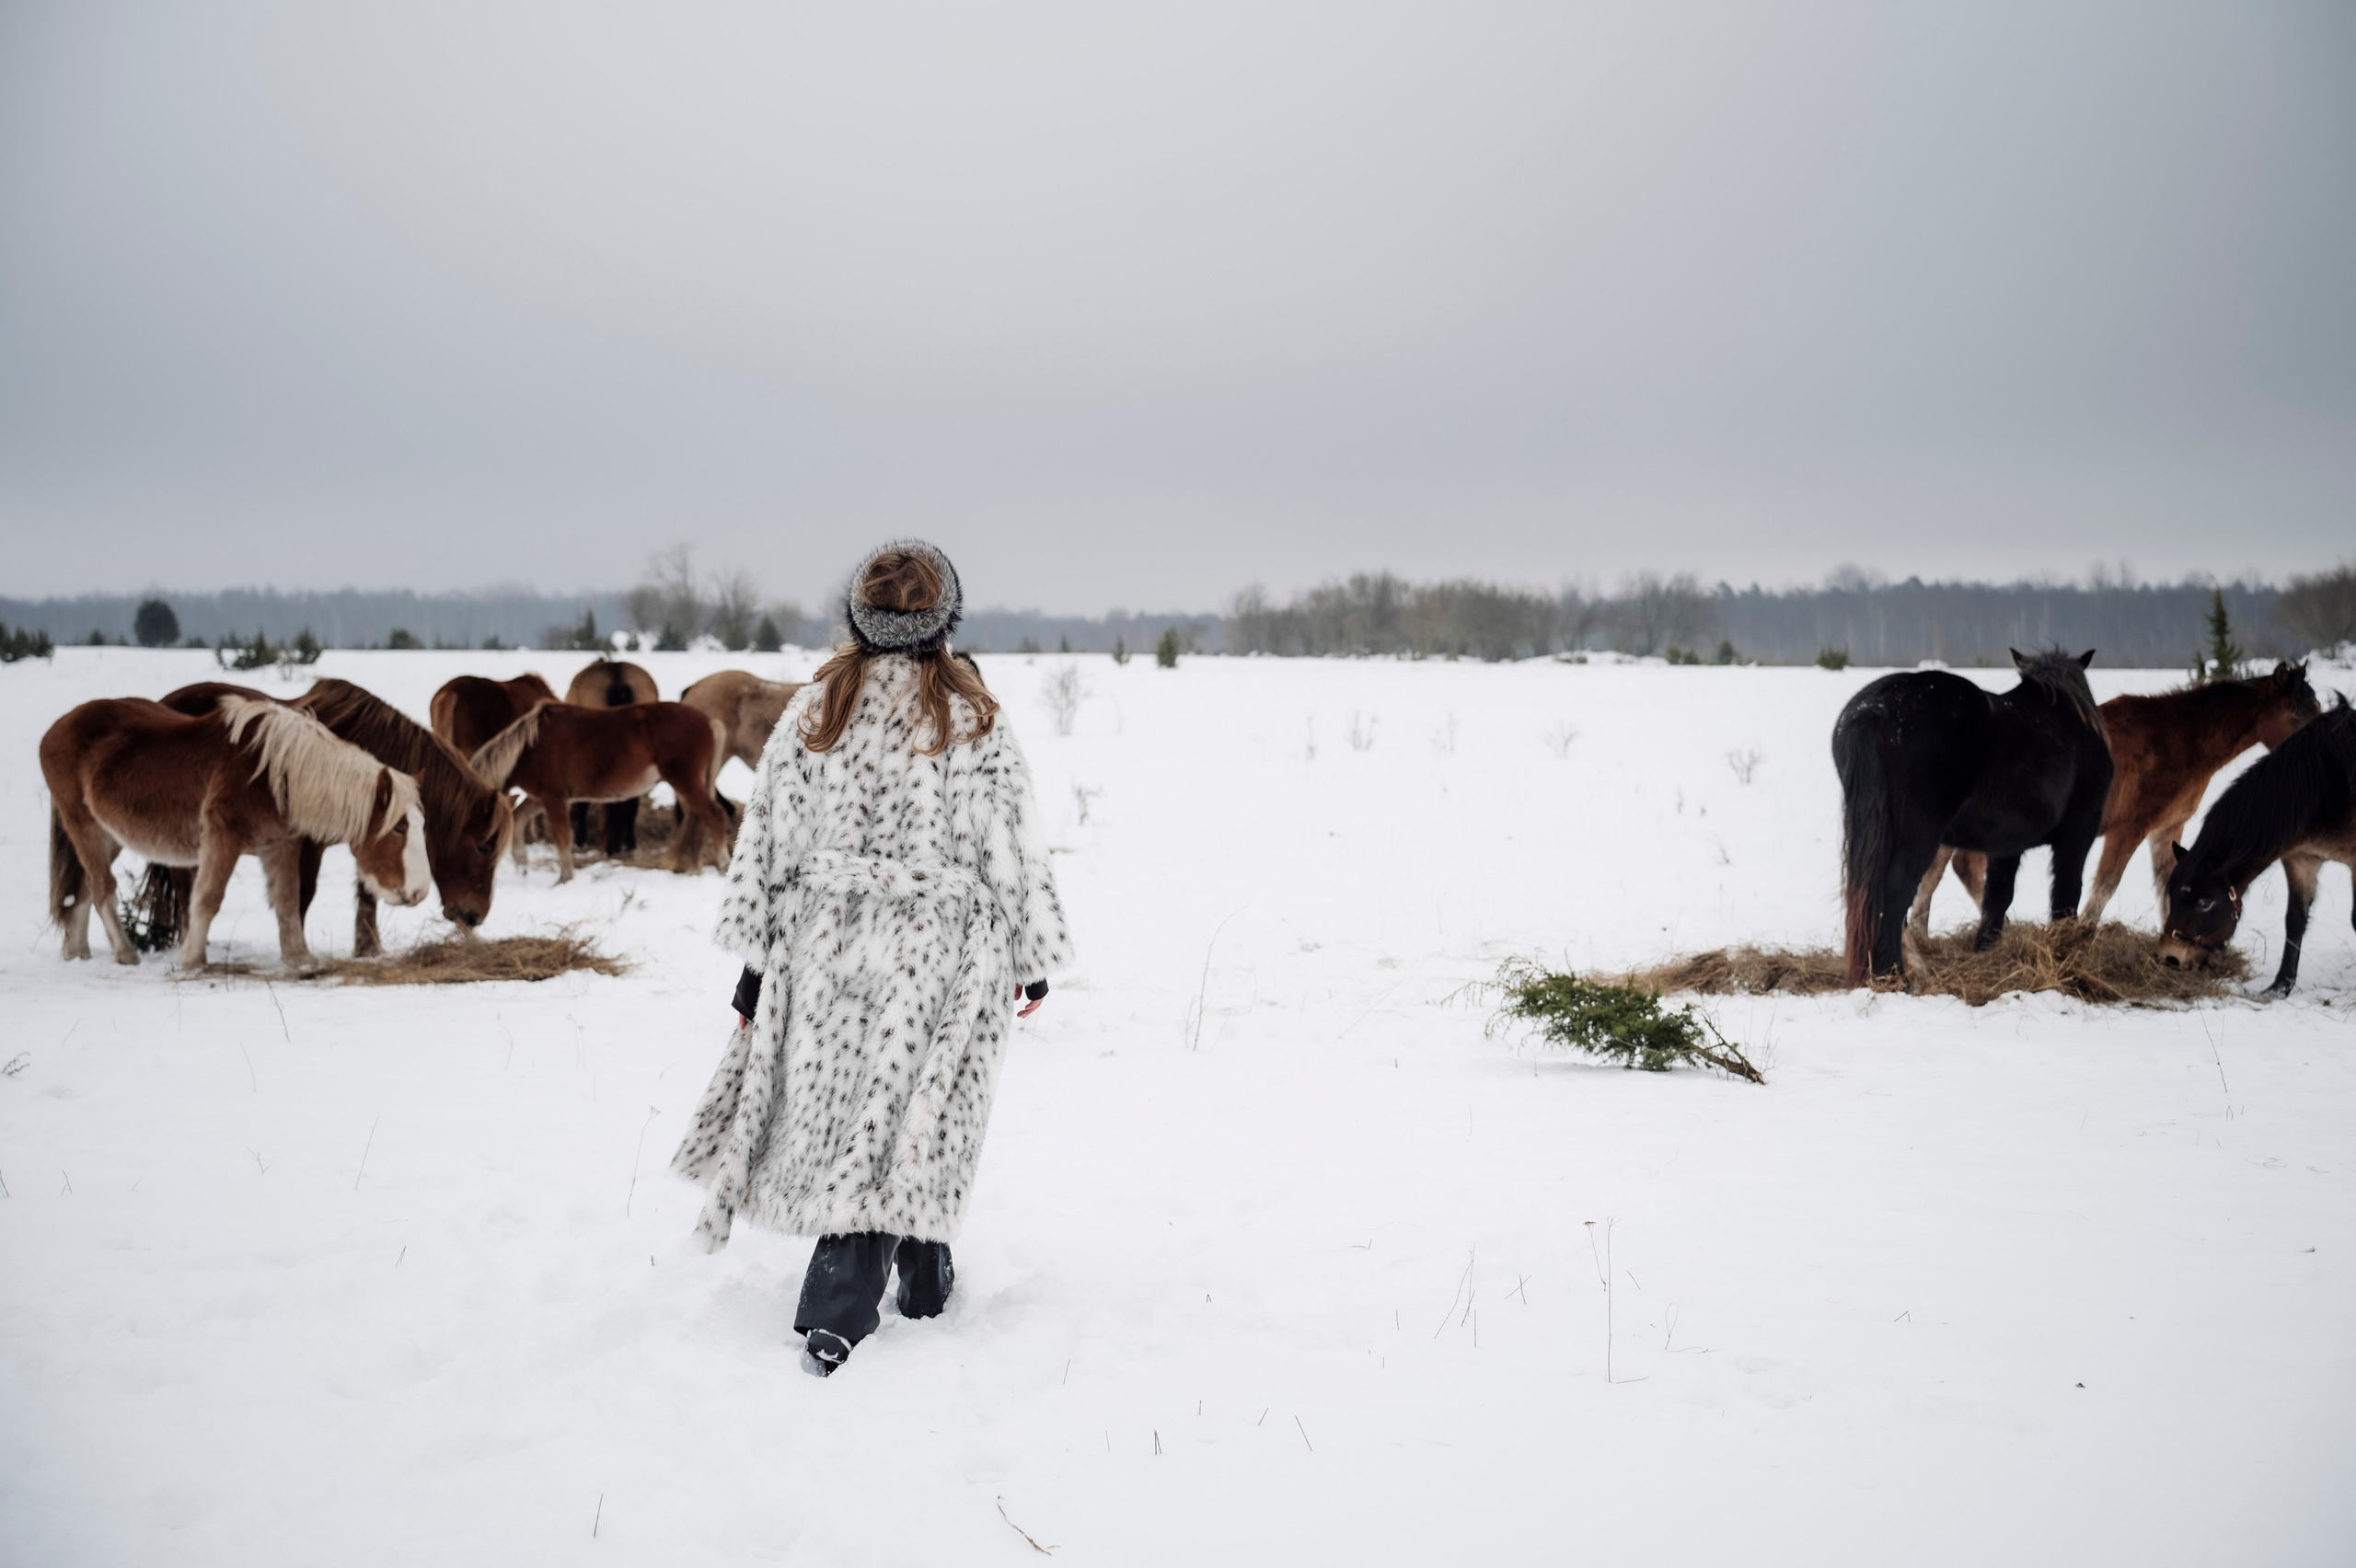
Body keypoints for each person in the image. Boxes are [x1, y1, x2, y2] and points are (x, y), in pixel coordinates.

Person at [672, 540, 1072, 1376]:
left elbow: (766, 843)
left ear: (861, 616)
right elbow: (1012, 847)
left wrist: (757, 963)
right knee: (904, 1107)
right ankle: (838, 1307)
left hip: (827, 941)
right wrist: (1030, 955)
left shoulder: (820, 705)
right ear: (943, 619)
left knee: (884, 1107)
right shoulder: (970, 712)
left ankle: (925, 1277)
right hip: (940, 947)